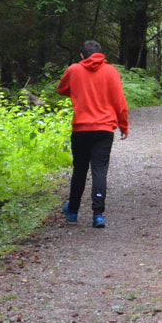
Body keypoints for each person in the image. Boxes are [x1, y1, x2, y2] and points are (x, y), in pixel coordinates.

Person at [57, 40, 128, 228]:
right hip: (104, 130)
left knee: (79, 170)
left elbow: (61, 89)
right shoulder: (111, 71)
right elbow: (120, 101)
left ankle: (72, 211)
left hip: (81, 129)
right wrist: (124, 126)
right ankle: (98, 215)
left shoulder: (73, 70)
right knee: (99, 170)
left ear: (82, 56)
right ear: (101, 54)